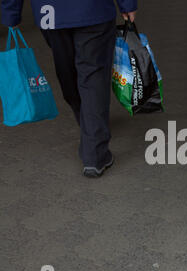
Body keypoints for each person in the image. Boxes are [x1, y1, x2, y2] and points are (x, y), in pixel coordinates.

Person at [1, 0, 138, 178]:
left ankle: (92, 136)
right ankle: (94, 148)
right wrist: (127, 4)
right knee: (92, 77)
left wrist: (10, 12)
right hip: (93, 10)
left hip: (51, 13)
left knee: (67, 74)